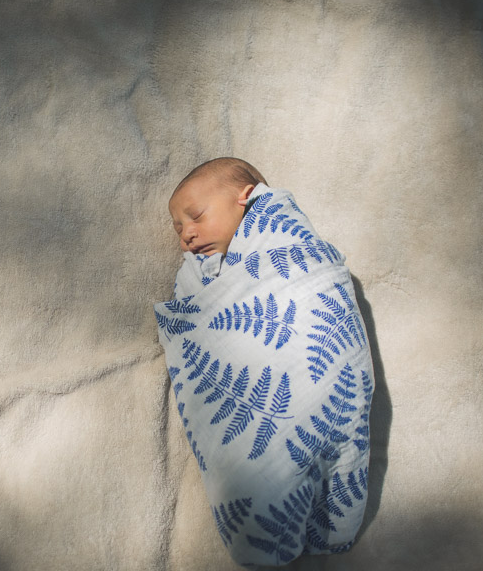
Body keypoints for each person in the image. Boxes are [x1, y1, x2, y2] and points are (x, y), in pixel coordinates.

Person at [156, 157, 374, 566]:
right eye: (178, 229)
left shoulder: (289, 244)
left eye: (196, 216)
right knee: (257, 480)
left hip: (324, 382)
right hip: (259, 407)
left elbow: (318, 291)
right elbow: (201, 325)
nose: (187, 235)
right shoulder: (204, 273)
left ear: (248, 198)